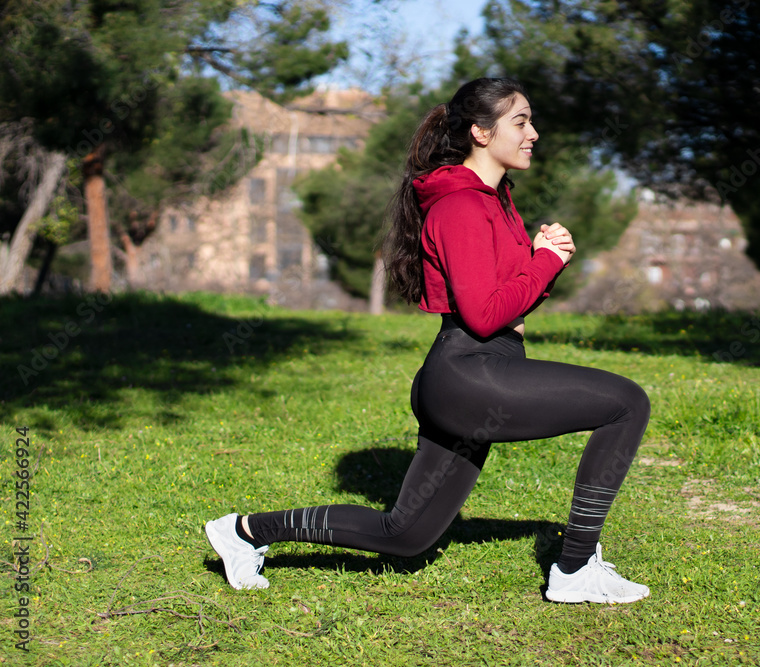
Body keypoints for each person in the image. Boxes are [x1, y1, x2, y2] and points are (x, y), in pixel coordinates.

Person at [205, 77, 651, 604]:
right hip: (471, 374)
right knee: (627, 403)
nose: (534, 133)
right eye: (521, 121)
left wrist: (539, 260)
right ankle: (575, 569)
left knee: (406, 536)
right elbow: (484, 318)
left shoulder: (495, 199)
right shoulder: (460, 206)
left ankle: (242, 532)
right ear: (481, 133)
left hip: (473, 376)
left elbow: (510, 298)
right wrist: (546, 262)